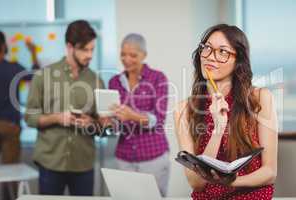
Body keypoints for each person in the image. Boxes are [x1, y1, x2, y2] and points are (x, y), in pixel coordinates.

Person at [173, 24, 278, 200]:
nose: (210, 57)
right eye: (207, 48)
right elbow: (196, 183)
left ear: (238, 61)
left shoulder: (260, 98)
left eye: (222, 52)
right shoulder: (183, 109)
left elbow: (270, 172)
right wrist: (217, 130)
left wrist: (230, 181)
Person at [25, 20, 106, 196]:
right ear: (70, 46)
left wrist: (92, 122)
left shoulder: (97, 81)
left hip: (83, 164)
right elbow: (30, 117)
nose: (90, 55)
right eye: (85, 50)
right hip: (50, 163)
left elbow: (104, 127)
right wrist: (57, 118)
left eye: (92, 49)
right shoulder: (43, 76)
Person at [108, 33, 170, 196]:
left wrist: (132, 116)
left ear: (144, 55)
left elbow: (159, 120)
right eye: (123, 54)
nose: (126, 59)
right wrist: (107, 121)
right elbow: (116, 125)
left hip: (153, 158)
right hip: (124, 157)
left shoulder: (158, 78)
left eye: (133, 55)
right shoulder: (114, 82)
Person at [0, 30, 40, 200]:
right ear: (3, 46)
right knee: (11, 173)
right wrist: (33, 52)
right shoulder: (13, 68)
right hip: (10, 127)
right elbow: (35, 76)